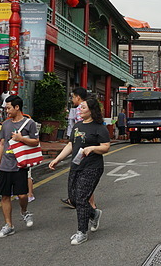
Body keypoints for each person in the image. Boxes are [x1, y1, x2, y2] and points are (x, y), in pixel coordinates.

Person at [49, 97, 111, 245]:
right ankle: (94, 213)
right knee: (74, 199)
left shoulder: (99, 127)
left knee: (82, 198)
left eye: (83, 107)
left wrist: (93, 148)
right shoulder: (77, 126)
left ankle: (82, 232)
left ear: (91, 110)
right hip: (76, 166)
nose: (80, 109)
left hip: (92, 167)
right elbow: (71, 145)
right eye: (80, 107)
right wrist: (57, 159)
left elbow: (106, 146)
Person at [0, 95, 39, 237]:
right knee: (5, 196)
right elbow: (2, 144)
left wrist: (21, 139)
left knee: (22, 195)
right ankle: (8, 225)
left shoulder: (29, 123)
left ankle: (24, 211)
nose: (7, 111)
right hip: (5, 165)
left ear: (17, 107)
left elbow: (36, 142)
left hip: (20, 165)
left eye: (8, 108)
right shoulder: (6, 124)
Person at [61, 87, 88, 208]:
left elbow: (79, 127)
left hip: (79, 145)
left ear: (78, 97)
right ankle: (80, 200)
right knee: (84, 176)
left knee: (78, 175)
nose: (72, 99)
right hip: (83, 144)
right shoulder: (87, 107)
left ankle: (82, 202)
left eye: (73, 97)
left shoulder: (80, 109)